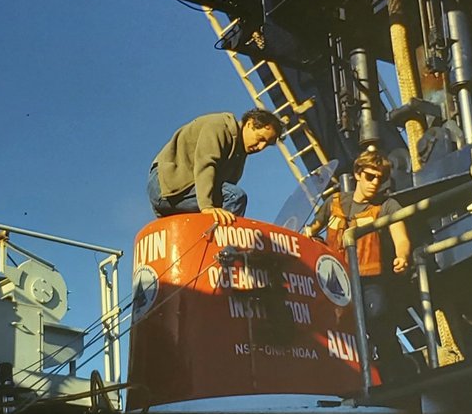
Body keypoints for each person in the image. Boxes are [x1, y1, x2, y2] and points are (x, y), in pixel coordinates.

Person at [305, 148, 411, 381]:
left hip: (370, 280)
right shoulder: (334, 203)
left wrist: (402, 256)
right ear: (357, 174)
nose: (375, 183)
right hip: (335, 283)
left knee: (378, 320)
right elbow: (310, 230)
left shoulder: (387, 205)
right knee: (331, 331)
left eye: (381, 178)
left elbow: (401, 238)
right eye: (370, 176)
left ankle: (396, 378)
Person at [148, 109, 283, 226]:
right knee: (235, 196)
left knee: (228, 201)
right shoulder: (220, 126)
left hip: (180, 193)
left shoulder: (239, 154)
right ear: (250, 124)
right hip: (164, 186)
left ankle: (205, 243)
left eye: (267, 144)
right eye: (261, 139)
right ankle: (221, 249)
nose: (261, 147)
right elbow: (206, 164)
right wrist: (207, 206)